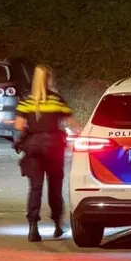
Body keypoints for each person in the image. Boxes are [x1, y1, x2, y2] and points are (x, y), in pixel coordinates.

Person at [14, 65, 80, 242]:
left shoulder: (27, 101)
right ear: (50, 79)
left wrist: (32, 127)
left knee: (35, 188)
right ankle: (58, 225)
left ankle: (33, 228)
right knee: (55, 187)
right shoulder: (57, 100)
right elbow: (73, 123)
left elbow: (19, 126)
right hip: (54, 147)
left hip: (33, 148)